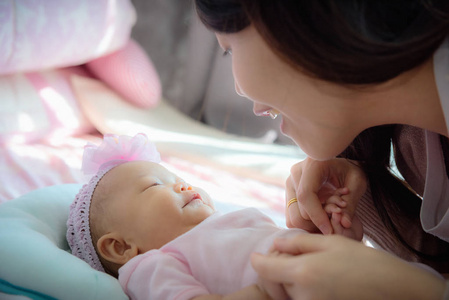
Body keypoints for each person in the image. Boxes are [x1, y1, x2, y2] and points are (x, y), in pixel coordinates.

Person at [194, 0, 449, 299]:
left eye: (229, 50)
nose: (239, 88)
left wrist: (409, 291)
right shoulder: (416, 141)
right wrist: (364, 199)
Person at [66, 133, 355, 300]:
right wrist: (264, 290)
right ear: (121, 247)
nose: (183, 185)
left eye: (178, 178)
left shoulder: (229, 223)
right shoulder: (150, 265)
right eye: (155, 185)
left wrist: (327, 229)